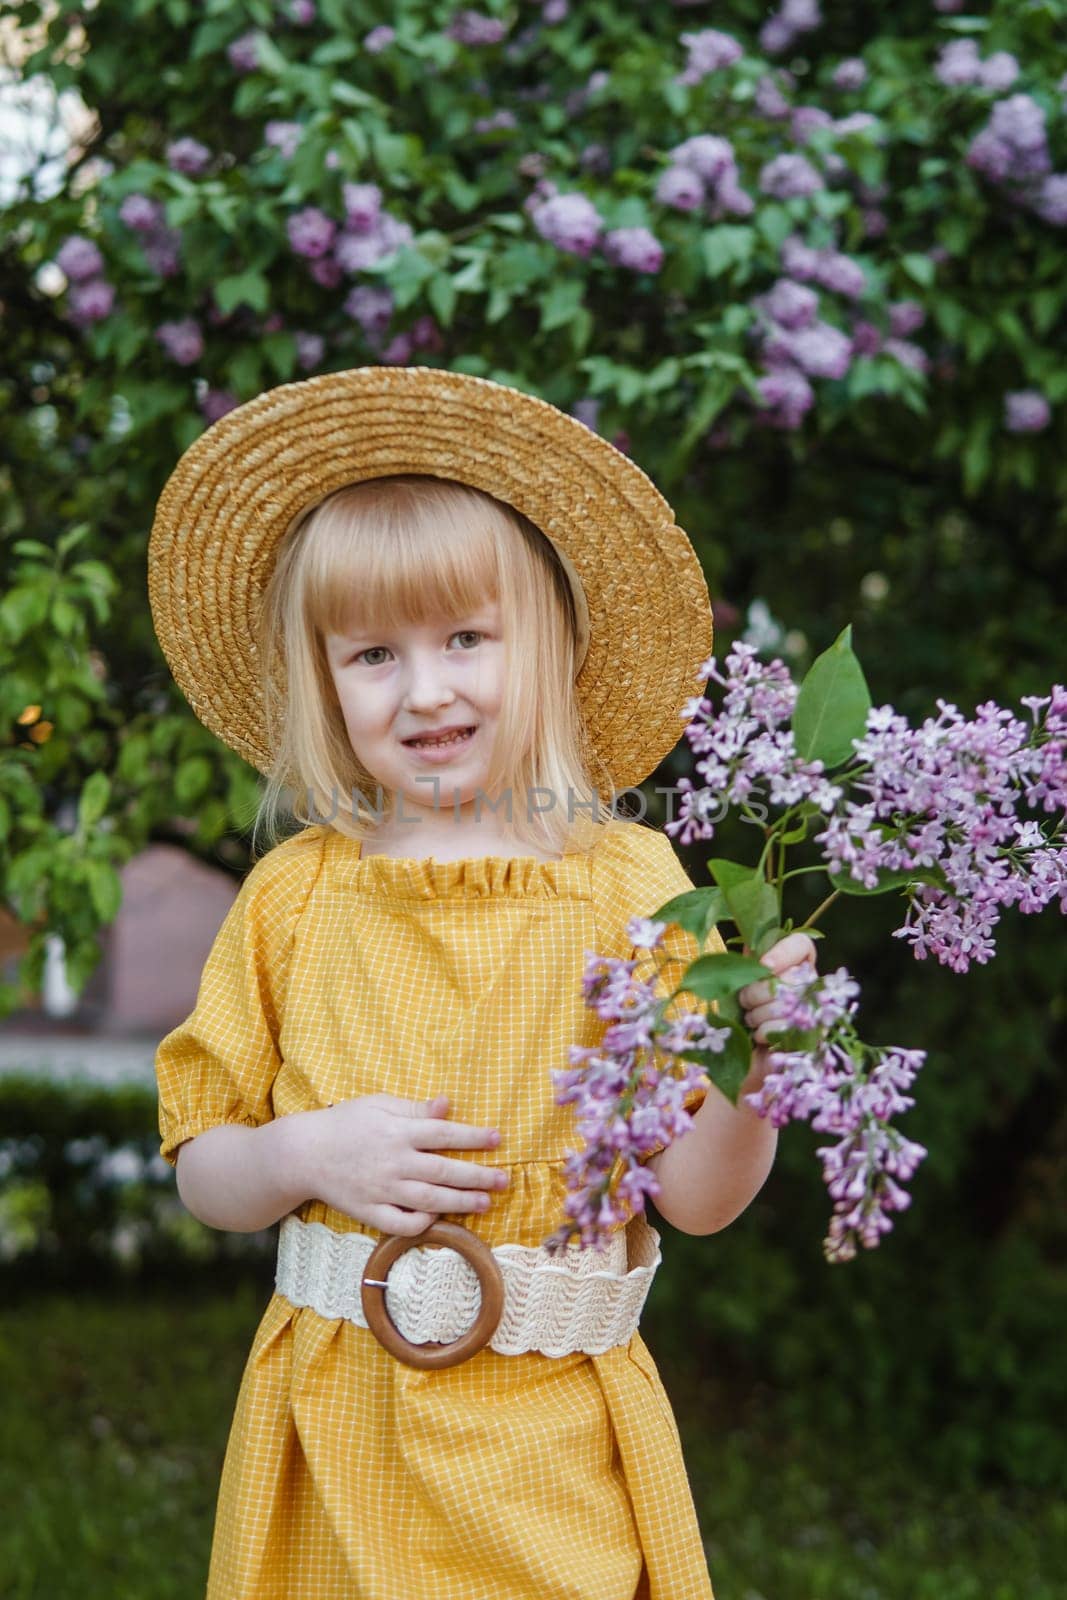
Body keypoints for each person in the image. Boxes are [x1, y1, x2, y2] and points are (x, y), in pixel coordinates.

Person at [149, 365, 815, 1600]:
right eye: (372, 654)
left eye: (466, 637)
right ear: (321, 678)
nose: (427, 689)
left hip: (548, 1448)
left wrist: (752, 1066)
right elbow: (205, 1168)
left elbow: (695, 1197)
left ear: (548, 644)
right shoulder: (297, 895)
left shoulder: (628, 886)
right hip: (334, 1431)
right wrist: (305, 1154)